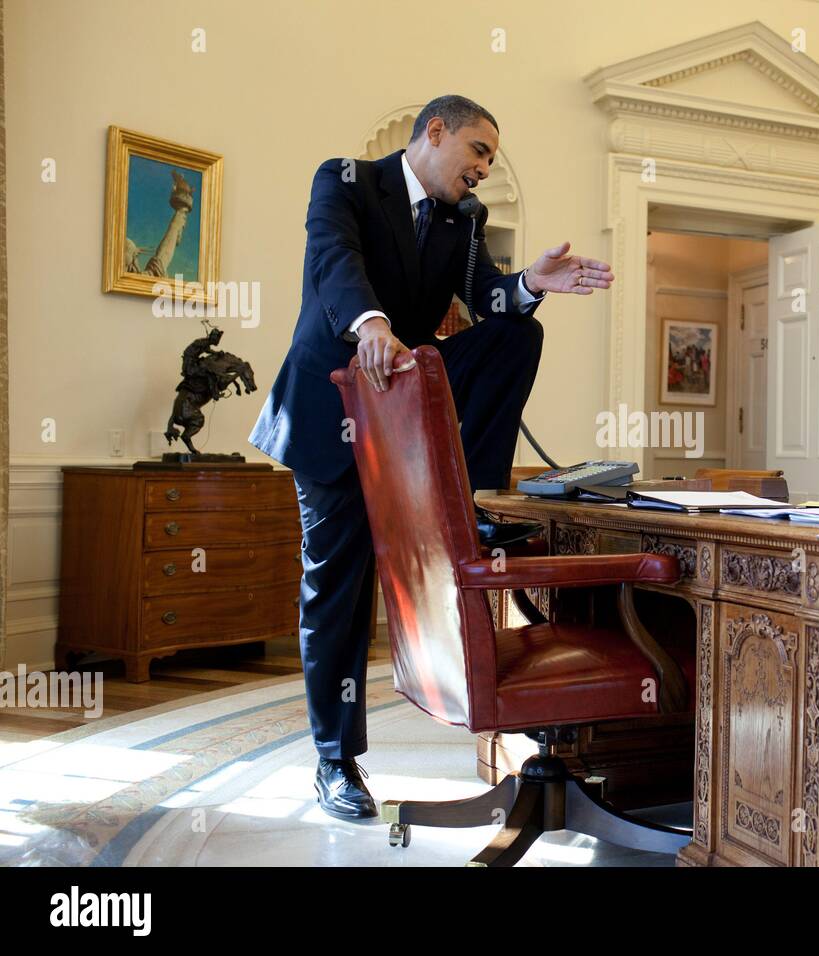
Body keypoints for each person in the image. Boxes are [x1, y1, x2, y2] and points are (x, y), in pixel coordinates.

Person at [247, 94, 615, 822]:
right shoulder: (346, 180)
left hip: (407, 418)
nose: (483, 169)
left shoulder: (464, 221)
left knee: (517, 336)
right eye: (477, 151)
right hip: (335, 414)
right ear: (435, 132)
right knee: (339, 593)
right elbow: (334, 263)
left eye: (490, 160)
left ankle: (472, 505)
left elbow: (487, 300)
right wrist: (374, 325)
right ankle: (335, 762)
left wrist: (531, 286)